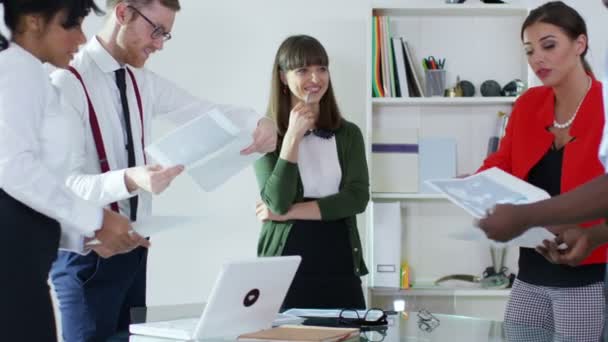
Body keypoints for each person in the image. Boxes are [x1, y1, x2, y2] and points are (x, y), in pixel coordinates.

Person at [48, 0, 277, 340]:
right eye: (155, 31)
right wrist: (131, 178)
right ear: (123, 13)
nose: (158, 44)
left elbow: (201, 111)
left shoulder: (143, 81)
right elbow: (63, 184)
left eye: (165, 35)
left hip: (135, 251)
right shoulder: (66, 82)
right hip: (88, 259)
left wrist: (258, 120)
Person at [0, 0, 149, 341]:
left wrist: (83, 236)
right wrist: (94, 219)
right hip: (12, 269)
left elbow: (31, 188)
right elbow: (13, 168)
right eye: (71, 26)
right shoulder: (16, 69)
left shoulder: (32, 74)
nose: (81, 39)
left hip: (25, 263)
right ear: (34, 21)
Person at [474, 2, 606, 341]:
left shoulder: (604, 105)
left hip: (587, 274)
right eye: (530, 50)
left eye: (549, 45)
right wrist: (471, 185)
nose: (537, 59)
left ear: (580, 44)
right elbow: (501, 163)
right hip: (531, 271)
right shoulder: (528, 104)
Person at [254, 35, 369, 310]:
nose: (315, 78)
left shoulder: (348, 133)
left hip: (340, 258)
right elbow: (277, 201)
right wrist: (292, 137)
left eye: (322, 68)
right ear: (283, 77)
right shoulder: (265, 134)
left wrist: (290, 212)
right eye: (303, 70)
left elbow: (356, 198)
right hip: (285, 264)